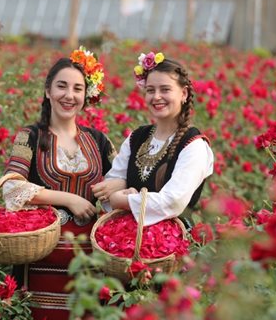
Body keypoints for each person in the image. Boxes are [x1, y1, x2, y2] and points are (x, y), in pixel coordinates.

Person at [2, 47, 115, 320]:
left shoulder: (99, 141)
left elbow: (117, 189)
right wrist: (68, 199)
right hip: (40, 264)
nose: (69, 95)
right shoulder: (29, 137)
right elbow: (11, 189)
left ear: (86, 95)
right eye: (62, 86)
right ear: (48, 91)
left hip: (89, 266)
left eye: (77, 88)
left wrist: (121, 191)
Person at [92, 51, 214, 229]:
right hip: (124, 233)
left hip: (170, 243)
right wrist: (121, 188)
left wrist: (123, 199)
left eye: (165, 89)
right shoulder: (137, 137)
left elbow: (172, 200)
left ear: (184, 94)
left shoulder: (194, 145)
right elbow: (109, 187)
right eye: (150, 90)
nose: (156, 97)